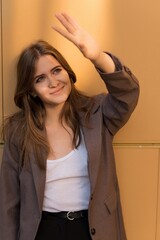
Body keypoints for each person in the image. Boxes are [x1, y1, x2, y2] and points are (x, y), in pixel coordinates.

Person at [0, 12, 139, 240]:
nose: (53, 82)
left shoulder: (97, 112)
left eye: (56, 71)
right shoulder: (19, 131)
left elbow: (128, 95)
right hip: (42, 230)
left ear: (67, 72)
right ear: (31, 90)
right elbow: (8, 203)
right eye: (40, 79)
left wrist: (97, 57)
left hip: (93, 229)